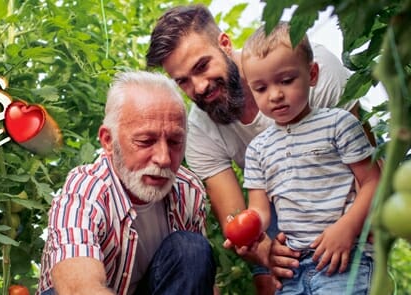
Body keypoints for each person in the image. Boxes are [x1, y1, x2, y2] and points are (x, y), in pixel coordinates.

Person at [146, 4, 374, 293]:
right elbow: (236, 214)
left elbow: (367, 164)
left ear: (225, 44)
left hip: (336, 189)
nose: (199, 87)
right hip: (273, 200)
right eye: (183, 81)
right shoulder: (200, 127)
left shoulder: (307, 67)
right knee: (271, 279)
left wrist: (353, 229)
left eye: (202, 66)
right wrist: (264, 250)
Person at [38, 70, 216, 295]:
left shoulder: (188, 191)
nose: (163, 158)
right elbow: (79, 287)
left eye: (174, 141)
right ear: (108, 140)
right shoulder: (85, 192)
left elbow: (196, 282)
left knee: (191, 250)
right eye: (145, 141)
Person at [234, 22, 381, 294]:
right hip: (293, 266)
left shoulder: (339, 124)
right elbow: (260, 210)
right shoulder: (257, 149)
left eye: (286, 81)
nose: (275, 95)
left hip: (343, 258)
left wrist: (347, 229)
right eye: (261, 88)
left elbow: (373, 181)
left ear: (312, 74)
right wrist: (246, 229)